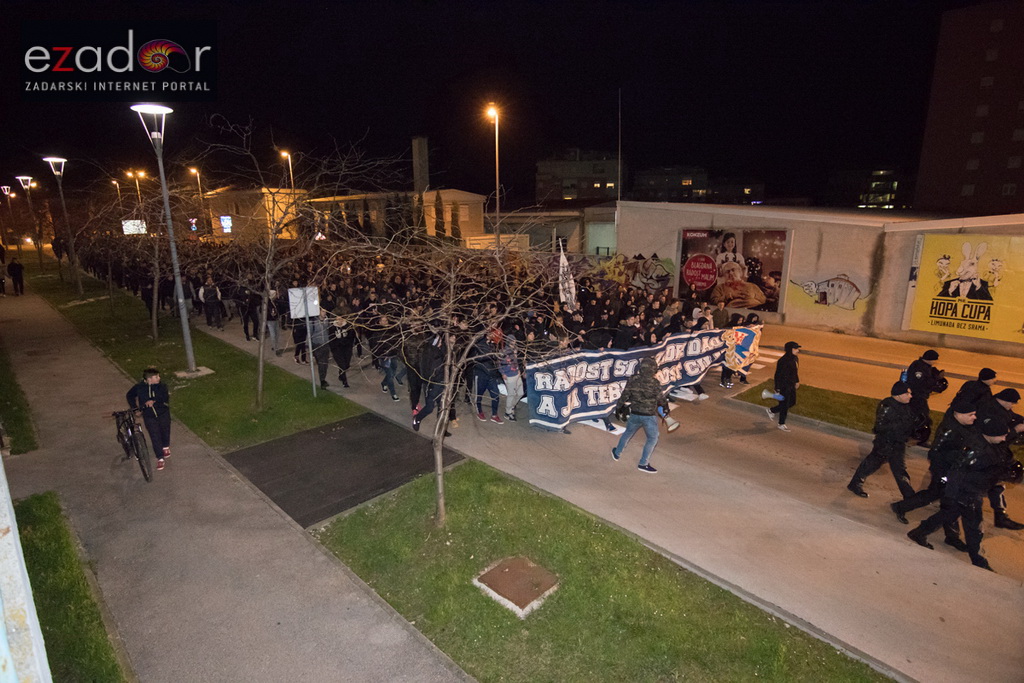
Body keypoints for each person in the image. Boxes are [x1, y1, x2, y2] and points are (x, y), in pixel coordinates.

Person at [907, 416, 1021, 572]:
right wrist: (950, 495)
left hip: (973, 492)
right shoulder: (975, 450)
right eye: (1002, 435)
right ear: (991, 434)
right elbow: (957, 472)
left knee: (948, 516)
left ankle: (919, 532)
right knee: (973, 526)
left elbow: (996, 463)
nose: (1004, 438)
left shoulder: (993, 444)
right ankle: (977, 559)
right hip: (964, 493)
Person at [889, 396, 979, 551]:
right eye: (971, 414)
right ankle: (943, 535)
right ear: (959, 414)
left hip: (954, 472)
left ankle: (901, 508)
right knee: (946, 502)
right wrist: (945, 473)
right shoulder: (949, 429)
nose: (974, 417)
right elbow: (936, 453)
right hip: (945, 472)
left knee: (940, 499)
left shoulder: (966, 427)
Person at [847, 382, 924, 499]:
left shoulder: (905, 406)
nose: (910, 396)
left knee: (900, 470)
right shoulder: (887, 406)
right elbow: (880, 427)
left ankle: (909, 497)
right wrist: (901, 424)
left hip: (898, 443)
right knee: (872, 464)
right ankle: (855, 483)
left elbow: (909, 422)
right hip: (885, 443)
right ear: (898, 395)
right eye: (907, 393)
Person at [977, 388, 1024, 530]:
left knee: (997, 484)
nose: (1012, 406)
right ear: (1004, 400)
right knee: (989, 484)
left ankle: (1001, 516)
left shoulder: (999, 408)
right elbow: (997, 436)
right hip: (989, 452)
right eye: (1012, 403)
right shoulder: (991, 411)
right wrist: (1016, 430)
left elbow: (1011, 416)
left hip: (995, 452)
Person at [611, 357, 668, 474]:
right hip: (649, 416)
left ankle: (617, 453)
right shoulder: (655, 383)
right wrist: (666, 407)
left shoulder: (633, 379)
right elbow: (661, 399)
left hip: (635, 413)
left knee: (628, 433)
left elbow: (625, 394)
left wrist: (618, 408)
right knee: (652, 438)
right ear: (654, 370)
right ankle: (643, 463)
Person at [125, 367, 172, 471]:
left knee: (165, 430)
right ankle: (160, 458)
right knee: (154, 435)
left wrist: (154, 401)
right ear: (149, 379)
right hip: (149, 415)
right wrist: (135, 408)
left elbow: (164, 398)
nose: (159, 378)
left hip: (162, 412)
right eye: (156, 377)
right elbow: (129, 395)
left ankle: (165, 446)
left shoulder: (162, 386)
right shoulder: (139, 387)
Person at [904, 349, 945, 446]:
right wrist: (935, 380)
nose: (935, 362)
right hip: (916, 397)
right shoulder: (919, 367)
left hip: (919, 396)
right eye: (935, 359)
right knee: (923, 419)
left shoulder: (925, 367)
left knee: (918, 418)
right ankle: (918, 439)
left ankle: (915, 437)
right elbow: (920, 383)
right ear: (930, 359)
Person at [766, 341, 800, 431]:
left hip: (791, 384)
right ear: (790, 349)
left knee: (792, 402)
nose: (798, 350)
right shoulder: (783, 361)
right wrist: (777, 388)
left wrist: (797, 381)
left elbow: (795, 372)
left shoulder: (795, 359)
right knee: (784, 404)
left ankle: (772, 410)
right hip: (784, 386)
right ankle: (781, 423)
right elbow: (777, 375)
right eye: (795, 348)